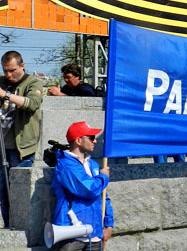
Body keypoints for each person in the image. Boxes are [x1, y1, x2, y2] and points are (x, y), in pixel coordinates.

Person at [51, 121, 114, 250]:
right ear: (78, 141)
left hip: (95, 235)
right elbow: (88, 189)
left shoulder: (93, 164)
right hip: (71, 235)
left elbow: (103, 195)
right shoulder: (65, 165)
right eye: (91, 137)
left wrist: (109, 224)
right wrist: (104, 177)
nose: (95, 141)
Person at [0, 50, 43, 226]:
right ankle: (9, 226)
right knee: (3, 192)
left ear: (22, 66)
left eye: (12, 70)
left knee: (20, 192)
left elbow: (32, 104)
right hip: (3, 147)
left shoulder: (33, 82)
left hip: (22, 148)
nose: (9, 75)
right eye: (5, 71)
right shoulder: (2, 82)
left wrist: (5, 95)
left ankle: (21, 227)